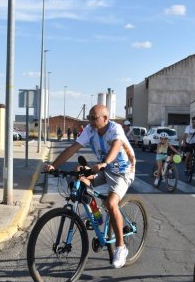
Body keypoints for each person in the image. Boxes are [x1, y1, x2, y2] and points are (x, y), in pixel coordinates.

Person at [44, 105, 136, 268]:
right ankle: (96, 215)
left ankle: (121, 247)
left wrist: (104, 163)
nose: (91, 121)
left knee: (111, 203)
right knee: (79, 172)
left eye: (94, 118)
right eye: (89, 118)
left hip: (123, 171)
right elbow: (72, 149)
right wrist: (54, 165)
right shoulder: (90, 130)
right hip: (104, 168)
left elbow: (116, 146)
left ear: (105, 119)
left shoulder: (115, 129)